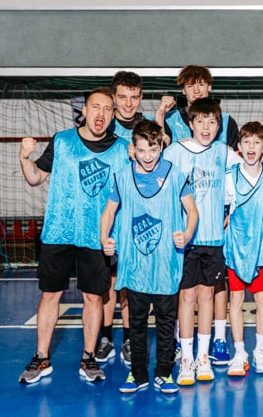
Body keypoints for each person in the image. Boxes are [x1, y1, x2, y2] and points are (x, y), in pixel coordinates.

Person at [17, 87, 130, 384]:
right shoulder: (62, 141)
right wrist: (24, 158)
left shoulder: (123, 149)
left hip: (98, 236)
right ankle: (41, 357)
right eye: (96, 107)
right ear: (85, 111)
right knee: (50, 295)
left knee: (94, 297)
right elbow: (35, 178)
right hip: (59, 232)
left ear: (113, 115)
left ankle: (89, 357)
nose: (101, 113)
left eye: (108, 109)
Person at [99, 120, 198, 394]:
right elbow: (109, 211)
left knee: (166, 322)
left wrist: (187, 233)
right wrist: (104, 238)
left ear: (161, 146)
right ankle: (138, 373)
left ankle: (164, 372)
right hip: (135, 264)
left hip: (166, 263)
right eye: (141, 150)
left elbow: (192, 211)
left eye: (153, 149)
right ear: (133, 149)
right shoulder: (122, 176)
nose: (147, 156)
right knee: (137, 322)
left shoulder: (175, 175)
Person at [158, 65, 239, 366]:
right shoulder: (174, 149)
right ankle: (185, 353)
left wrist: (230, 210)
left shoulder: (223, 150)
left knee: (209, 294)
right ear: (190, 122)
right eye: (201, 121)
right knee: (186, 296)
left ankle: (207, 351)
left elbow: (246, 171)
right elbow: (158, 181)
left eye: (212, 122)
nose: (207, 127)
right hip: (185, 239)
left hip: (214, 237)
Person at [96, 71, 155, 367]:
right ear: (114, 98)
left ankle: (131, 337)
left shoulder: (149, 128)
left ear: (141, 97)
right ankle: (106, 336)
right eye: (122, 97)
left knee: (132, 285)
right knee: (108, 283)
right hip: (109, 216)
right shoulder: (103, 127)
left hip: (137, 220)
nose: (129, 103)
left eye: (134, 97)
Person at [223, 122, 263, 377]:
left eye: (257, 142)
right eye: (247, 142)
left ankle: (260, 350)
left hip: (260, 248)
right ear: (239, 147)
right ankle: (239, 351)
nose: (251, 147)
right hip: (235, 247)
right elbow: (222, 209)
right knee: (235, 299)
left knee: (262, 299)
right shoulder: (229, 177)